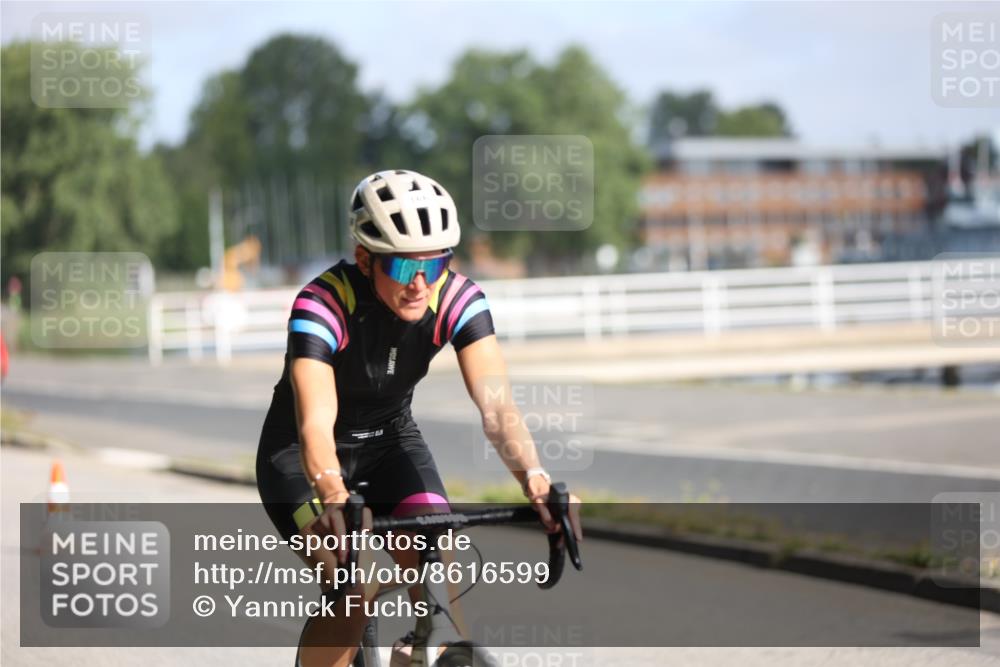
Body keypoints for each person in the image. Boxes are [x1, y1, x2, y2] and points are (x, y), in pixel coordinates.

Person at [256, 169, 582, 667]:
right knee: (353, 588)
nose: (421, 284)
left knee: (438, 592)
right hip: (301, 461)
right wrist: (335, 496)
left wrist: (535, 481)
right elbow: (315, 424)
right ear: (365, 259)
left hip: (390, 444)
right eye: (406, 269)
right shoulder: (322, 304)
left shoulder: (457, 299)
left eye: (436, 265)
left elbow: (497, 409)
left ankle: (422, 652)